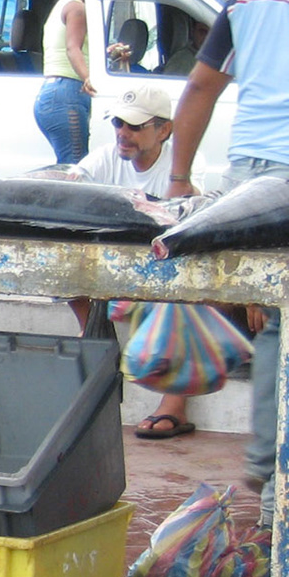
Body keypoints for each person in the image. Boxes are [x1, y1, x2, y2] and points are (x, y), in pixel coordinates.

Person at [167, 0, 289, 526]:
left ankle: (269, 486)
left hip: (251, 178)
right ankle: (274, 496)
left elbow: (200, 86)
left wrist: (178, 178)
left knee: (275, 329)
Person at [71, 83, 193, 439]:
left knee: (183, 293)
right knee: (58, 267)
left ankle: (175, 402)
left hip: (161, 272)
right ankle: (97, 339)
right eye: (119, 124)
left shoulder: (178, 166)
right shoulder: (104, 158)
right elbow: (70, 187)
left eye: (135, 126)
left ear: (163, 130)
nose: (123, 133)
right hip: (114, 270)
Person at [33, 0, 96, 166]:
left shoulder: (63, 4)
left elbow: (72, 47)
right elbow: (72, 49)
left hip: (54, 93)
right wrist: (88, 78)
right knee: (75, 168)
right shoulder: (77, 7)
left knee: (70, 165)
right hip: (67, 93)